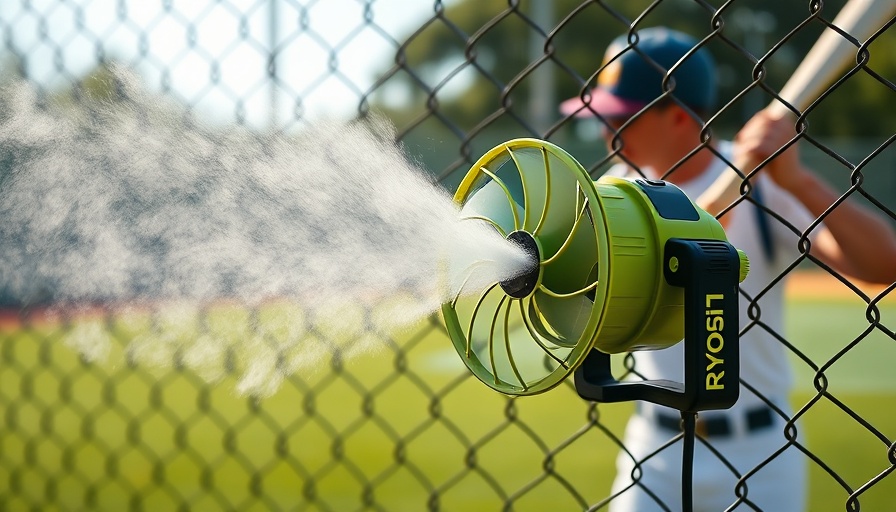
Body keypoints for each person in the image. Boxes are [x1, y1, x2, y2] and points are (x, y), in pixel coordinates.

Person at [560, 27, 896, 511]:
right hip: (652, 449)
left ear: (677, 117)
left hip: (760, 453)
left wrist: (797, 181)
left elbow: (882, 262)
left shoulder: (760, 183)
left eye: (622, 117)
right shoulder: (612, 194)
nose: (604, 130)